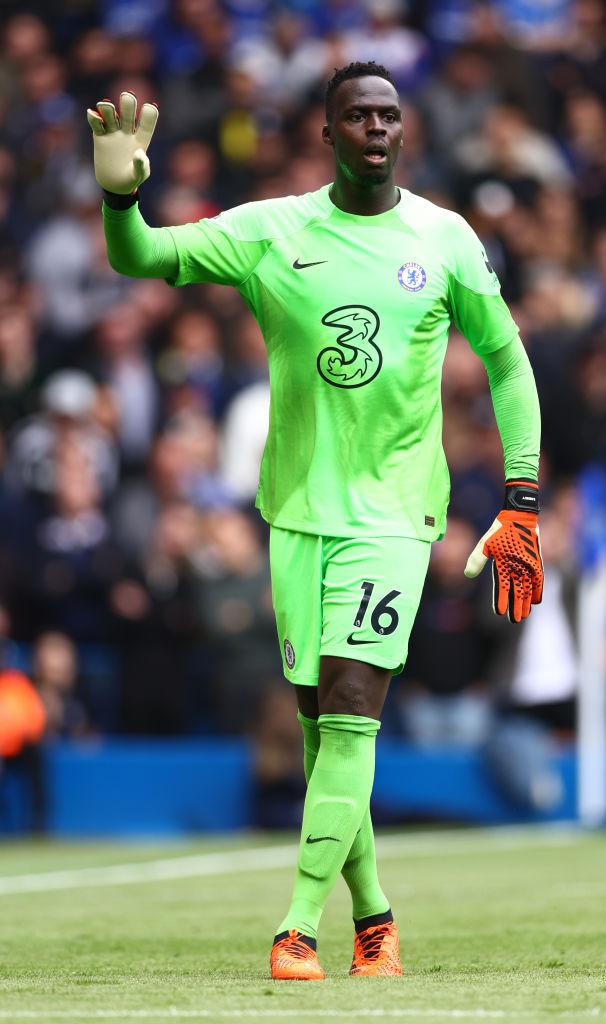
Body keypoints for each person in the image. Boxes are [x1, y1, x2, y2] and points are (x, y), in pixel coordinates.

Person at [86, 61, 543, 981]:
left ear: (403, 131)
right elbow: (141, 258)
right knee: (319, 727)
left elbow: (505, 360)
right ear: (327, 133)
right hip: (297, 514)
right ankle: (374, 917)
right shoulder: (270, 231)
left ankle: (296, 928)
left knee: (351, 709)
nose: (376, 128)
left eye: (389, 115)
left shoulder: (443, 238)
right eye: (358, 116)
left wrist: (520, 498)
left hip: (395, 515)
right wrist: (119, 199)